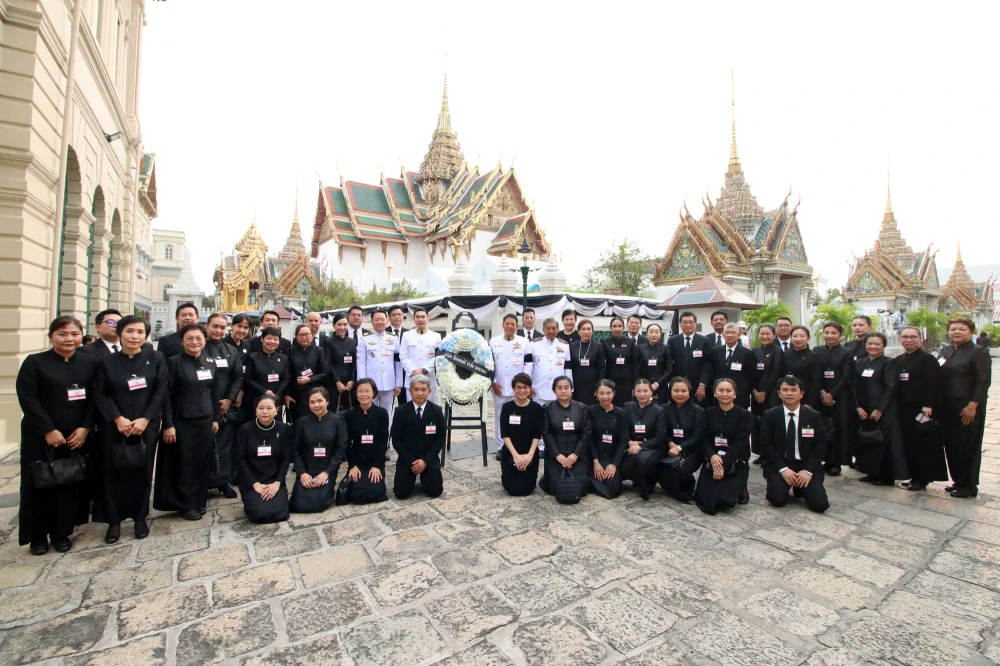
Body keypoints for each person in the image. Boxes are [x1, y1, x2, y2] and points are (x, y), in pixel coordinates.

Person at [16, 316, 97, 555]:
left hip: (76, 436)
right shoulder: (35, 362)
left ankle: (62, 532)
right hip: (40, 436)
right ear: (51, 336)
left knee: (69, 483)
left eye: (74, 333)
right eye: (62, 334)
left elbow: (95, 397)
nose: (69, 339)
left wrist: (85, 427)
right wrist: (48, 430)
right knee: (39, 484)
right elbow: (28, 399)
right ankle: (37, 535)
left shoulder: (89, 362)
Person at [91, 316, 166, 543]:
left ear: (146, 336)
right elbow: (100, 393)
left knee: (142, 472)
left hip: (146, 426)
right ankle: (114, 521)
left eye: (140, 332)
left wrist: (145, 419)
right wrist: (118, 419)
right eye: (130, 331)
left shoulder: (155, 358)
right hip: (115, 426)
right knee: (111, 472)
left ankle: (139, 516)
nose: (135, 336)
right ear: (120, 334)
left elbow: (160, 391)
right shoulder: (106, 362)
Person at [153, 323, 220, 520]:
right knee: (184, 463)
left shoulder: (210, 361)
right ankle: (186, 503)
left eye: (198, 338)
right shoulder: (173, 363)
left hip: (205, 420)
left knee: (201, 462)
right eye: (189, 338)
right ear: (182, 341)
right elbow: (166, 395)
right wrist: (168, 424)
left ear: (204, 340)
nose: (194, 342)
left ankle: (199, 500)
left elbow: (214, 392)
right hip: (182, 421)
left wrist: (215, 418)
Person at [938, 317, 992, 498]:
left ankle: (969, 485)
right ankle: (958, 480)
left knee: (967, 445)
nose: (957, 332)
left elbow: (983, 381)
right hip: (947, 405)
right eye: (953, 329)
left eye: (962, 329)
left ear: (971, 332)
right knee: (952, 444)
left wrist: (972, 405)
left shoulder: (978, 352)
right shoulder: (945, 350)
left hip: (968, 406)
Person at [760, 375, 830, 513]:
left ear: (801, 394)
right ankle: (789, 484)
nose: (789, 393)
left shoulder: (813, 415)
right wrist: (783, 469)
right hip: (781, 464)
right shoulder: (770, 415)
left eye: (794, 390)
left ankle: (800, 487)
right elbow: (766, 444)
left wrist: (808, 470)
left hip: (805, 465)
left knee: (820, 505)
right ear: (779, 393)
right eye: (785, 390)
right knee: (777, 500)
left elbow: (820, 445)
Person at [895, 326, 948, 491]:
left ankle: (922, 478)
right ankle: (913, 476)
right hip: (904, 409)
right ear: (900, 339)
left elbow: (933, 384)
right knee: (909, 444)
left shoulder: (927, 359)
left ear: (920, 339)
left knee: (922, 445)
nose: (909, 340)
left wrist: (928, 405)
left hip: (922, 410)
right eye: (905, 337)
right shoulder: (899, 359)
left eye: (913, 337)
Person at [852, 332, 907, 486]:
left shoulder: (889, 363)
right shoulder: (860, 363)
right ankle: (871, 472)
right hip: (864, 408)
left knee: (885, 442)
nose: (873, 347)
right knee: (869, 441)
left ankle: (886, 476)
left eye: (877, 344)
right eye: (870, 343)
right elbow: (854, 387)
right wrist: (857, 407)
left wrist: (879, 409)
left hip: (884, 409)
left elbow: (891, 387)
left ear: (883, 345)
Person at [694, 378, 754, 515]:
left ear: (735, 394)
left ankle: (741, 485)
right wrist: (712, 456)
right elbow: (704, 438)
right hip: (713, 459)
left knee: (724, 500)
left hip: (734, 459)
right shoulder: (708, 413)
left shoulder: (745, 415)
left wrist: (723, 465)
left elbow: (740, 443)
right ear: (715, 393)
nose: (724, 394)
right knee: (704, 498)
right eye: (721, 390)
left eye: (729, 391)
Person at [204, 313, 244, 497]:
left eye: (222, 327)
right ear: (207, 326)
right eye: (215, 326)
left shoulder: (230, 351)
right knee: (203, 446)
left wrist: (229, 398)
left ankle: (222, 481)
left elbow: (237, 377)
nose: (219, 330)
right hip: (203, 405)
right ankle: (202, 483)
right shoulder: (199, 347)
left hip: (224, 405)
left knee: (224, 445)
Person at [234, 395, 291, 523]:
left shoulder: (284, 429)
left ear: (276, 410)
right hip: (252, 479)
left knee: (281, 513)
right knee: (259, 515)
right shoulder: (244, 430)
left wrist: (277, 483)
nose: (265, 412)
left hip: (273, 478)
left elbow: (286, 458)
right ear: (255, 410)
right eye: (261, 408)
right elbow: (240, 459)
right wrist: (255, 484)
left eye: (269, 408)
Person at [290, 387, 347, 512]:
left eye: (319, 401)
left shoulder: (337, 421)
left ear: (327, 401)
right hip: (307, 470)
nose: (316, 405)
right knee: (298, 504)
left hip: (327, 470)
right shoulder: (302, 422)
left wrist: (327, 472)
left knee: (319, 504)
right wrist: (302, 473)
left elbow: (340, 449)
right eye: (312, 402)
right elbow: (295, 450)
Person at [390, 375, 445, 499]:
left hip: (428, 458)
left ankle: (427, 478)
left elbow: (440, 438)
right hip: (408, 458)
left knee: (435, 491)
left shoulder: (436, 411)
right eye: (416, 389)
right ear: (410, 391)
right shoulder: (401, 411)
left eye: (423, 389)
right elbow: (396, 440)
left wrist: (425, 461)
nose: (420, 393)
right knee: (401, 493)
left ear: (429, 391)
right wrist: (411, 461)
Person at [539, 377, 592, 497]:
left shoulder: (582, 408)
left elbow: (586, 433)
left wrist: (575, 455)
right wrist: (558, 455)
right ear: (554, 390)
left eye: (566, 388)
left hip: (576, 455)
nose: (563, 391)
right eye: (559, 388)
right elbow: (546, 433)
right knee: (554, 486)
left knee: (580, 486)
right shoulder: (547, 408)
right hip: (556, 455)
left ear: (571, 390)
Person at [657, 377, 706, 503]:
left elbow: (698, 436)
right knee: (657, 466)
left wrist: (679, 447)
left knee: (681, 471)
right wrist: (671, 444)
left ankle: (686, 487)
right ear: (670, 392)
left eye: (683, 391)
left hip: (691, 450)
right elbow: (662, 431)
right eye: (676, 390)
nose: (679, 394)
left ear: (689, 392)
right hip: (669, 448)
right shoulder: (663, 408)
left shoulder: (698, 411)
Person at [491, 315, 533, 459]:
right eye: (507, 323)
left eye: (513, 324)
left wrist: (524, 384)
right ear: (503, 325)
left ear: (517, 326)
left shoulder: (525, 342)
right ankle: (501, 447)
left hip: (518, 388)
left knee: (520, 416)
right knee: (499, 416)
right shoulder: (493, 341)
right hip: (499, 386)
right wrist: (493, 381)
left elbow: (529, 364)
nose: (510, 326)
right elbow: (489, 365)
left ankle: (519, 444)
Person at [342, 379, 390, 504]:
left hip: (375, 461)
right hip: (358, 461)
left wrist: (377, 465)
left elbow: (383, 441)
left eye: (367, 391)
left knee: (376, 492)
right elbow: (347, 443)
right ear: (356, 393)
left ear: (373, 393)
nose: (364, 395)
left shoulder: (382, 413)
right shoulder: (350, 415)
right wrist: (353, 465)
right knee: (355, 494)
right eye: (360, 391)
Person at [814, 322, 852, 476]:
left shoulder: (846, 352)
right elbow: (815, 373)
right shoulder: (817, 350)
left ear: (840, 335)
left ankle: (837, 462)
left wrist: (832, 394)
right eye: (827, 332)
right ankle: (825, 459)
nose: (830, 336)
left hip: (840, 395)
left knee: (839, 428)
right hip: (820, 394)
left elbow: (846, 375)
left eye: (833, 333)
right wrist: (823, 392)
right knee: (822, 427)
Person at [620, 379, 667, 500]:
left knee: (643, 459)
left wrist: (640, 446)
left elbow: (660, 437)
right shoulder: (627, 407)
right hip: (631, 444)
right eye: (638, 391)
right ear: (633, 392)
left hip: (653, 447)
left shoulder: (659, 411)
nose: (642, 394)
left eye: (645, 391)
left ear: (651, 392)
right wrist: (629, 442)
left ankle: (647, 485)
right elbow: (622, 429)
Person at [356, 310, 403, 429]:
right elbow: (360, 362)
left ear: (387, 321)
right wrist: (362, 384)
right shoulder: (364, 339)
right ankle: (370, 438)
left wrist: (398, 383)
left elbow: (398, 362)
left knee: (386, 413)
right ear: (372, 321)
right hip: (371, 383)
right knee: (369, 412)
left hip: (389, 383)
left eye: (382, 319)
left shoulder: (393, 338)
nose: (380, 322)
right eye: (376, 319)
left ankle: (385, 441)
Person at [499, 373, 544, 496]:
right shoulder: (507, 408)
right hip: (511, 453)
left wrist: (529, 455)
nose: (522, 390)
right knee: (512, 489)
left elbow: (537, 434)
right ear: (513, 389)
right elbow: (505, 434)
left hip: (529, 453)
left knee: (526, 489)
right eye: (519, 387)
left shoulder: (537, 408)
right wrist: (515, 456)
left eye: (525, 387)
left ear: (530, 388)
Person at [588, 380, 627, 499]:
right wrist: (596, 462)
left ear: (614, 393)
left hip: (612, 456)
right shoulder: (590, 411)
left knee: (612, 488)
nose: (605, 397)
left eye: (608, 393)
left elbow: (623, 439)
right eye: (601, 393)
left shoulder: (621, 413)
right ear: (596, 394)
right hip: (594, 456)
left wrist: (614, 464)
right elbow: (589, 437)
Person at [751, 324, 783, 464]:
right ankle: (760, 453)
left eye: (768, 334)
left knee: (770, 423)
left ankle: (770, 455)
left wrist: (764, 392)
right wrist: (755, 391)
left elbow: (776, 373)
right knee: (757, 424)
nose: (764, 336)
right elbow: (749, 372)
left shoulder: (777, 351)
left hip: (770, 394)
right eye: (762, 333)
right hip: (755, 392)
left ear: (774, 335)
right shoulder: (755, 351)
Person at [242, 327, 290, 421]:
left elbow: (286, 379)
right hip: (256, 399)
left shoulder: (284, 359)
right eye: (269, 338)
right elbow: (248, 379)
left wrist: (275, 395)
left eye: (275, 339)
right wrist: (264, 391)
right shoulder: (252, 357)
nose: (272, 341)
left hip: (276, 401)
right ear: (262, 339)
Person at [286, 323, 330, 422]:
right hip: (295, 395)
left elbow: (326, 372)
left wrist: (310, 379)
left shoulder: (319, 351)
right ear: (296, 337)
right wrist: (286, 394)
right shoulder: (290, 351)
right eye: (301, 335)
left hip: (315, 393)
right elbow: (286, 375)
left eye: (307, 334)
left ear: (312, 335)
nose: (304, 337)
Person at [667, 312, 713, 404]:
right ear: (680, 324)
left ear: (695, 324)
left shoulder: (704, 341)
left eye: (691, 322)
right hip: (678, 384)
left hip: (697, 386)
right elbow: (669, 362)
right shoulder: (672, 340)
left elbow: (707, 364)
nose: (688, 325)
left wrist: (702, 384)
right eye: (685, 322)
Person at [708, 322, 757, 408]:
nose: (730, 335)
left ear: (738, 335)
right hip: (719, 396)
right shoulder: (715, 351)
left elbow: (752, 376)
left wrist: (744, 391)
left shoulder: (748, 353)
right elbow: (712, 373)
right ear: (723, 335)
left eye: (733, 332)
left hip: (740, 397)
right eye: (727, 332)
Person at [399, 308, 441, 402]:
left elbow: (438, 356)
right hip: (412, 378)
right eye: (417, 317)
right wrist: (414, 371)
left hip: (429, 378)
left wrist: (424, 370)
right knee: (411, 409)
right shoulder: (406, 335)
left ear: (428, 318)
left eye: (423, 317)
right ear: (414, 319)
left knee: (429, 409)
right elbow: (403, 356)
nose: (420, 319)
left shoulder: (436, 336)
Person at [529, 319, 571, 409]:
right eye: (548, 328)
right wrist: (528, 385)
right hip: (539, 388)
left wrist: (571, 387)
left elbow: (568, 369)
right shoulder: (534, 344)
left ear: (558, 329)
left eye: (554, 328)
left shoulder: (565, 345)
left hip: (559, 390)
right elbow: (529, 366)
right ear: (543, 329)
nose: (551, 331)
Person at [778, 326, 822, 409]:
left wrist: (810, 403)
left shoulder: (813, 356)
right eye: (795, 336)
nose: (798, 339)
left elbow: (816, 381)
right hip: (787, 397)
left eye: (802, 336)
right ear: (790, 337)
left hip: (805, 398)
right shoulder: (785, 354)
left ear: (808, 338)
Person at [567, 318, 604, 406]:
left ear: (592, 331)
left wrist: (599, 387)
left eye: (588, 329)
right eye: (583, 329)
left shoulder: (598, 346)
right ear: (579, 331)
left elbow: (602, 368)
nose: (586, 332)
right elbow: (570, 367)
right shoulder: (573, 346)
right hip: (577, 384)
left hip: (593, 385)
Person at [602, 316, 637, 407]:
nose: (617, 329)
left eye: (619, 326)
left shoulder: (630, 342)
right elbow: (603, 365)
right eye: (614, 326)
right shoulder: (605, 342)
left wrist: (635, 384)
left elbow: (634, 364)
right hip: (611, 381)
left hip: (627, 382)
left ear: (623, 327)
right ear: (610, 328)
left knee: (626, 407)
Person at [327, 313, 358, 412]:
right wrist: (337, 382)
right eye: (339, 324)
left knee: (350, 410)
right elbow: (328, 363)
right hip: (335, 382)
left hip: (349, 383)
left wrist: (353, 380)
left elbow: (354, 363)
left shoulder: (352, 342)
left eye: (345, 324)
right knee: (335, 410)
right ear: (333, 326)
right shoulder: (328, 341)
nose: (342, 327)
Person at [636, 323, 672, 403]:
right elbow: (636, 368)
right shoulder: (640, 348)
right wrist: (642, 382)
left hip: (661, 386)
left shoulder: (666, 348)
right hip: (643, 386)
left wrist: (657, 383)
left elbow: (669, 369)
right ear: (647, 334)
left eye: (656, 332)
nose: (654, 334)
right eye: (651, 332)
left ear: (660, 334)